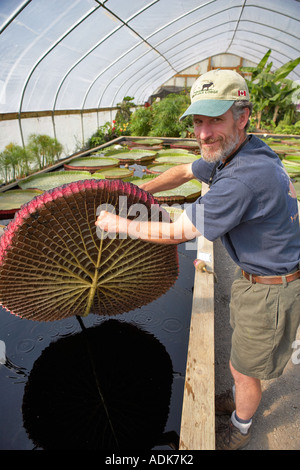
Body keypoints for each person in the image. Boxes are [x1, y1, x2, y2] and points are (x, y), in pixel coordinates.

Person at [96, 69, 300, 450]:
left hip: (274, 290)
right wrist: (134, 190)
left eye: (216, 120)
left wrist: (118, 222)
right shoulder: (242, 150)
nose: (204, 133)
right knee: (243, 355)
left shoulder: (242, 179)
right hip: (257, 276)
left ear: (242, 116)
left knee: (244, 367)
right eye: (198, 121)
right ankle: (241, 389)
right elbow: (183, 171)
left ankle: (240, 428)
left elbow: (180, 232)